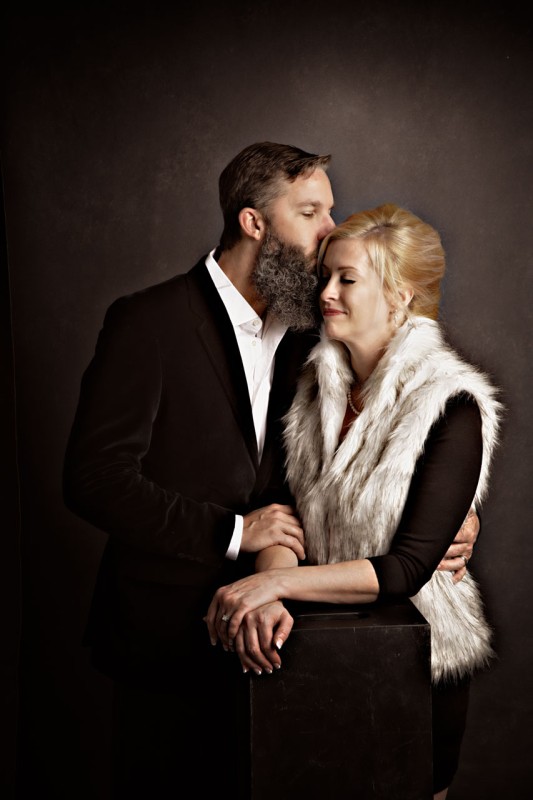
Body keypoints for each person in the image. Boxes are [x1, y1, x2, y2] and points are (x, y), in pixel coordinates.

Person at [64, 143, 478, 798]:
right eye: (310, 213)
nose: (328, 231)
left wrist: (452, 511)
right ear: (253, 222)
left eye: (330, 213)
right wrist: (234, 533)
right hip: (166, 640)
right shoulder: (148, 321)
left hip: (293, 643)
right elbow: (95, 479)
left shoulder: (321, 331)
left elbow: (379, 446)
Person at [206, 203, 501, 799]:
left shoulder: (451, 402)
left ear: (400, 296)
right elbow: (279, 512)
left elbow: (406, 569)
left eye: (347, 280)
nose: (326, 293)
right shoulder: (309, 384)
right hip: (309, 649)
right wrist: (269, 592)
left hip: (421, 662)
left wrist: (271, 584)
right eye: (326, 276)